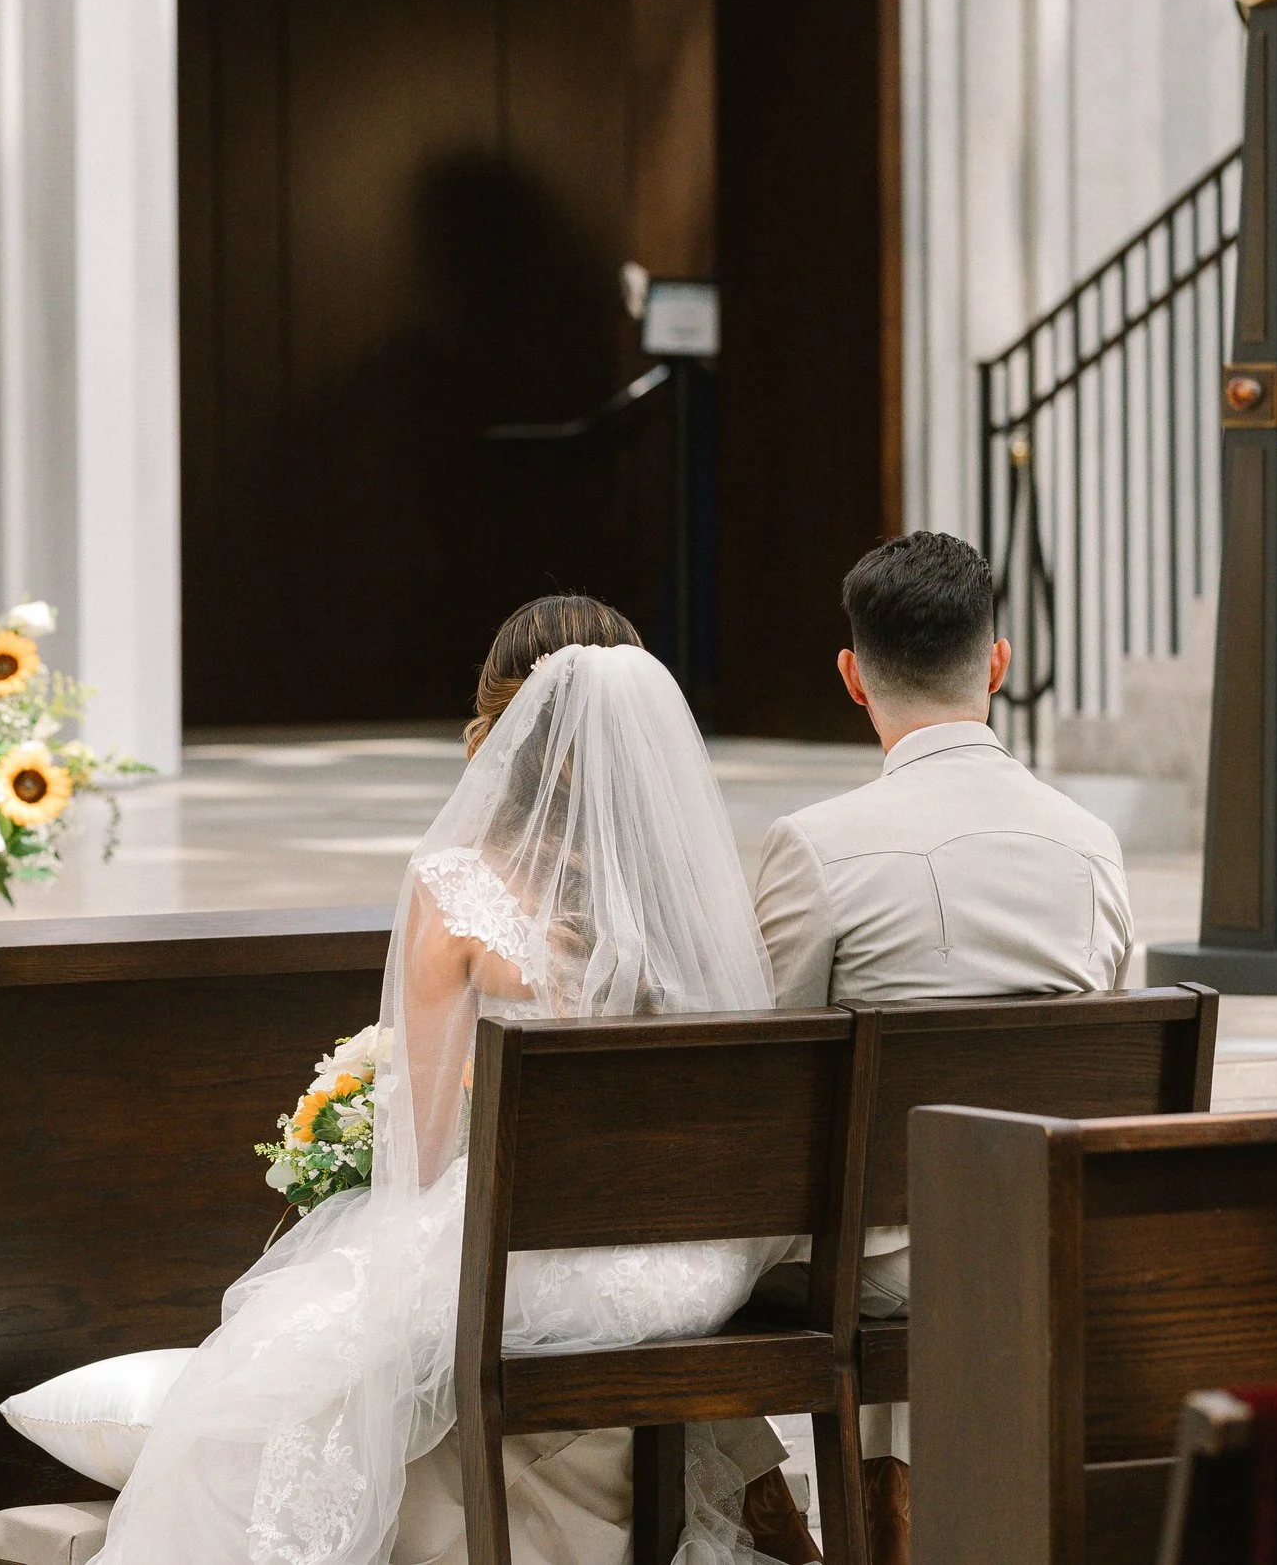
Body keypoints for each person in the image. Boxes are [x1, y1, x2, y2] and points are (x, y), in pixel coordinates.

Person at [92, 598, 800, 1565]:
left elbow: (420, 1147)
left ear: (494, 729)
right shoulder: (690, 893)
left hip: (540, 1256)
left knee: (284, 1369)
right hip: (692, 1266)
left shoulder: (456, 887)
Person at [754, 532, 1134, 1564]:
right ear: (998, 662)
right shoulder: (1089, 842)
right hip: (1048, 1227)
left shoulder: (814, 845)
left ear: (851, 677)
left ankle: (812, 1529)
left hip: (872, 1259)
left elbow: (767, 1070)